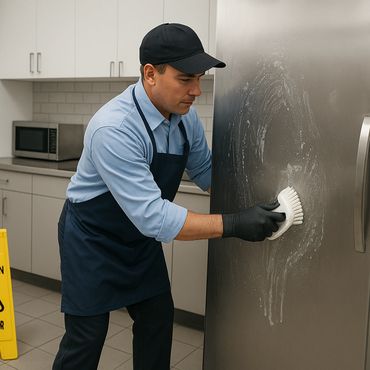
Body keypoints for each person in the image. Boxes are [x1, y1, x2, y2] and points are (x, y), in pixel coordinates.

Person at [52, 23, 285, 370]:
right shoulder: (114, 128)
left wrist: (261, 199)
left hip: (137, 240)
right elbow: (154, 217)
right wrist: (236, 223)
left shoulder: (183, 118)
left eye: (200, 79)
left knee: (157, 319)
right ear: (150, 74)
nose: (196, 91)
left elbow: (207, 173)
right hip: (92, 239)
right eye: (186, 79)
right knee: (87, 335)